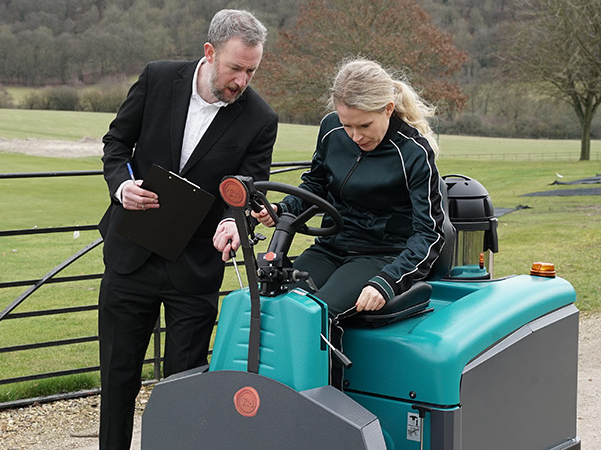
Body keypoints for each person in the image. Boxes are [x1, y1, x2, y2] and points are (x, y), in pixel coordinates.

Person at [96, 9, 277, 449]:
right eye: (235, 68)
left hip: (193, 271)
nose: (242, 81)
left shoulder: (260, 119)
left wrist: (232, 223)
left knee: (183, 392)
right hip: (130, 256)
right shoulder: (158, 79)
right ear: (210, 53)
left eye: (251, 71)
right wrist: (122, 186)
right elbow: (116, 143)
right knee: (117, 382)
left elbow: (243, 195)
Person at [255, 58, 444, 317]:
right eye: (347, 125)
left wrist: (388, 281)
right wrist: (283, 208)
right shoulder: (330, 129)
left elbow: (429, 235)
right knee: (274, 302)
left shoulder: (413, 153)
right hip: (330, 247)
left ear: (388, 109)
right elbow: (315, 186)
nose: (355, 137)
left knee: (314, 315)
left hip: (381, 256)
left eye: (365, 125)